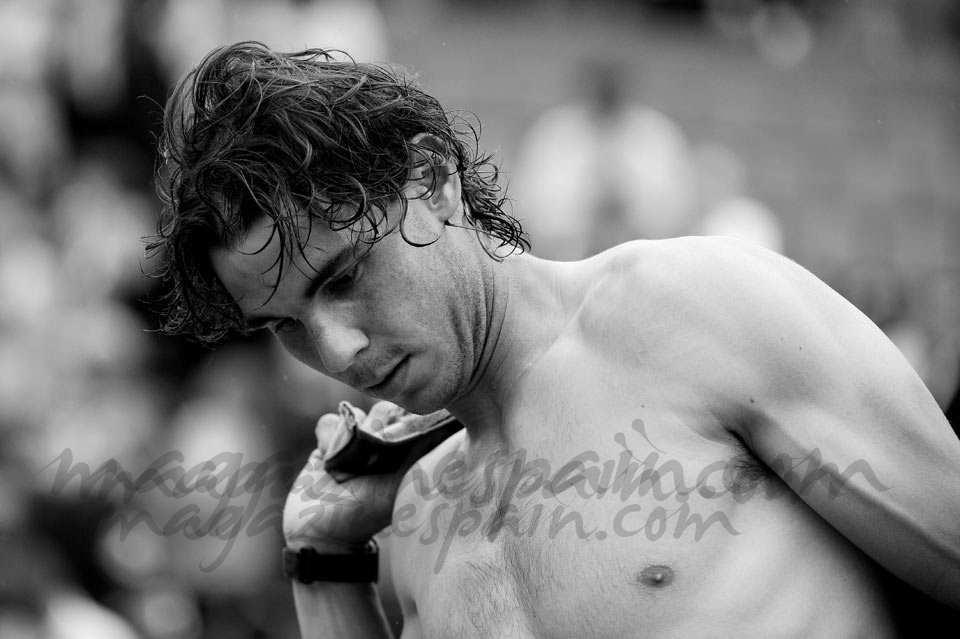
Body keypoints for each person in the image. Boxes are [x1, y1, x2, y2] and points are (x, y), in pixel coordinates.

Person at [149, 42, 960, 638]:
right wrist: (322, 558)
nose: (337, 352)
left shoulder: (692, 308)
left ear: (432, 179)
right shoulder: (416, 510)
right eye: (285, 324)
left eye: (345, 276)